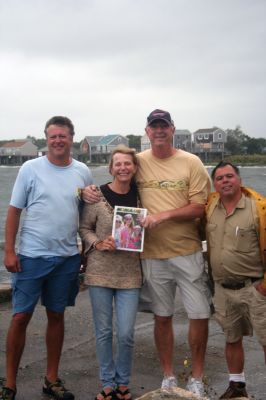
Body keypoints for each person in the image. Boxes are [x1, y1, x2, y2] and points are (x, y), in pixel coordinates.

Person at [83, 109, 212, 398]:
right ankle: (168, 375)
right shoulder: (137, 162)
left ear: (172, 129)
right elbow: (116, 177)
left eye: (163, 126)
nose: (159, 131)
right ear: (147, 131)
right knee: (162, 316)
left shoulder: (192, 162)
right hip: (151, 254)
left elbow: (198, 207)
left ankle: (197, 377)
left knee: (199, 315)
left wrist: (162, 216)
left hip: (187, 250)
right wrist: (85, 191)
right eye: (154, 127)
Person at [1, 116, 93, 400]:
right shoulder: (30, 168)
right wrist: (9, 250)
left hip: (66, 257)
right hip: (31, 256)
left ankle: (51, 379)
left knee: (56, 315)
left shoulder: (83, 172)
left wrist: (85, 252)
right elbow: (15, 210)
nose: (57, 141)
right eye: (52, 136)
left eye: (63, 136)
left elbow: (87, 216)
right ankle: (10, 383)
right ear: (46, 138)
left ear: (72, 138)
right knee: (20, 317)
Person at [79, 145, 142, 400]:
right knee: (104, 331)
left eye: (128, 163)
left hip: (130, 274)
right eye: (118, 164)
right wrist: (97, 242)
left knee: (126, 333)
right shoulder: (96, 196)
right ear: (111, 168)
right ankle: (107, 383)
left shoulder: (142, 197)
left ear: (134, 168)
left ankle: (123, 382)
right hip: (99, 273)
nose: (123, 168)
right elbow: (84, 228)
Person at [205, 161, 266, 399]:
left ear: (239, 179)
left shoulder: (258, 208)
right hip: (223, 289)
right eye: (219, 178)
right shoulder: (210, 208)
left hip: (255, 288)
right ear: (215, 184)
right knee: (231, 338)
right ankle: (237, 386)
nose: (225, 181)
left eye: (229, 176)